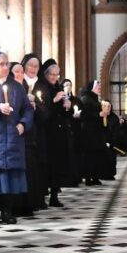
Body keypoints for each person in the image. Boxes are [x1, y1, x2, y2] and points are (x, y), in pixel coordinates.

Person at [0, 53, 33, 224]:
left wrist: (23, 124)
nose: (5, 67)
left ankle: (7, 210)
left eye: (7, 64)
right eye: (1, 64)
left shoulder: (16, 87)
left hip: (13, 136)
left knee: (10, 175)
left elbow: (27, 108)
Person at [17, 53, 48, 213]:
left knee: (37, 165)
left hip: (38, 130)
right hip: (22, 130)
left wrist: (37, 107)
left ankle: (37, 198)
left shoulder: (42, 85)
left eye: (36, 66)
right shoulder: (19, 83)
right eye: (30, 65)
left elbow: (47, 110)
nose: (33, 69)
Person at [39, 60, 73, 207]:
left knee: (58, 164)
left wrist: (67, 106)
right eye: (52, 74)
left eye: (57, 75)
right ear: (46, 74)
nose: (54, 77)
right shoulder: (41, 87)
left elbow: (65, 112)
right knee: (46, 165)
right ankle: (42, 196)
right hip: (47, 132)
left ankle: (54, 196)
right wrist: (54, 100)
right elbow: (43, 109)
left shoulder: (58, 87)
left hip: (59, 133)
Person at [77, 80, 108, 185]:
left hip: (96, 132)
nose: (99, 89)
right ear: (92, 88)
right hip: (88, 133)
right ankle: (88, 178)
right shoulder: (85, 99)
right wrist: (98, 114)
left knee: (96, 155)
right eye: (98, 87)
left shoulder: (94, 99)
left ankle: (95, 177)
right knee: (89, 156)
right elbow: (84, 115)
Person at [102, 100, 120, 180]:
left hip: (111, 142)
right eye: (105, 106)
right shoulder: (99, 116)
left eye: (109, 106)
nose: (107, 108)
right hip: (102, 142)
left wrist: (112, 143)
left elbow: (116, 132)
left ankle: (110, 174)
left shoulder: (114, 118)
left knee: (111, 159)